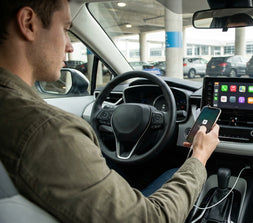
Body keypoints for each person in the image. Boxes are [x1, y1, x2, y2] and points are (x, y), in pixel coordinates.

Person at [0, 0, 220, 222]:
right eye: (66, 30)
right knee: (175, 173)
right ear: (28, 23)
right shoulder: (50, 131)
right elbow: (153, 218)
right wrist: (199, 157)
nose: (70, 45)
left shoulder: (14, 111)